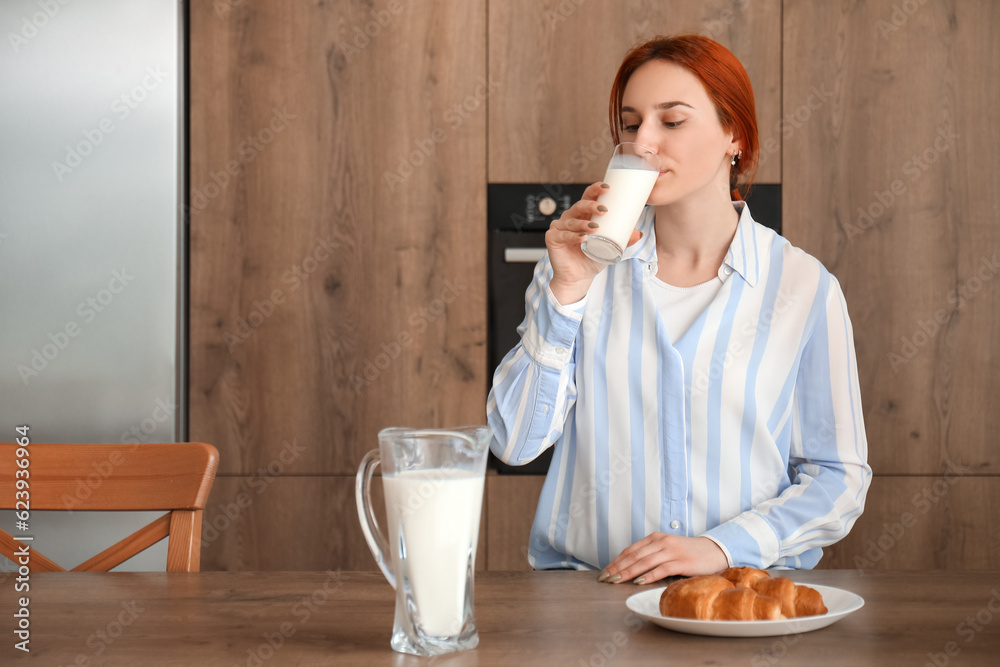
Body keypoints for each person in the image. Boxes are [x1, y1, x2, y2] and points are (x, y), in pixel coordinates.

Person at [487, 34, 871, 585]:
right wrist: (566, 293)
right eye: (630, 122)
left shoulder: (803, 288)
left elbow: (838, 479)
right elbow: (513, 442)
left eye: (671, 122)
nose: (643, 141)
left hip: (740, 602)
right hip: (589, 599)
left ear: (733, 135)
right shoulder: (573, 274)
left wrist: (722, 547)